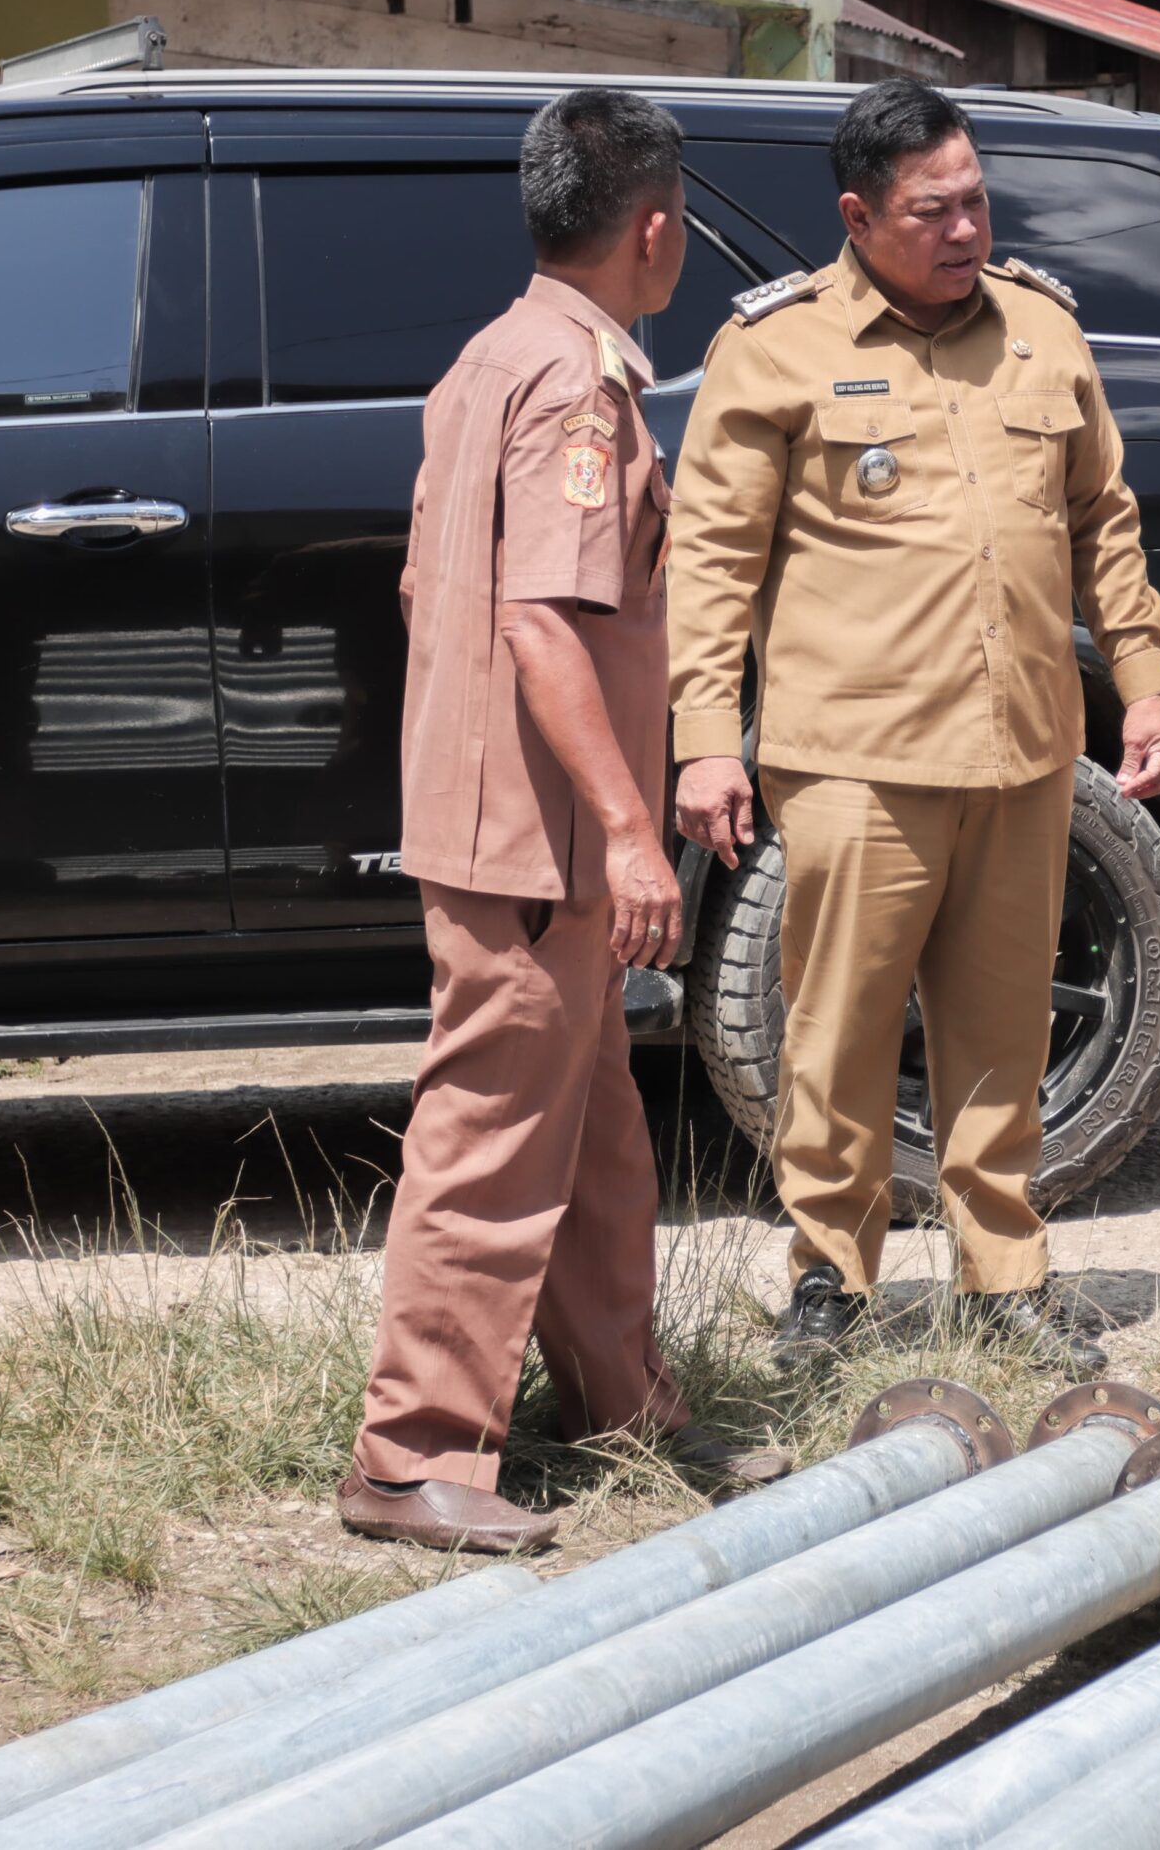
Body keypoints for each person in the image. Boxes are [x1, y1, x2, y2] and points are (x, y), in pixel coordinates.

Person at [666, 77, 1160, 1375]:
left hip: (1022, 747)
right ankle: (830, 1274)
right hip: (855, 758)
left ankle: (1003, 1271)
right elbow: (712, 558)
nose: (963, 230)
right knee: (837, 1026)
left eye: (976, 201)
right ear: (858, 214)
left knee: (1004, 1026)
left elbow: (1104, 521)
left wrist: (1150, 677)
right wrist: (703, 737)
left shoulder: (1044, 333)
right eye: (931, 211)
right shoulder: (776, 349)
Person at [340, 89, 789, 1560]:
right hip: (534, 838)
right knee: (489, 1146)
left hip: (512, 826)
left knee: (597, 1140)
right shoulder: (577, 387)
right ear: (653, 229)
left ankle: (622, 1407)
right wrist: (628, 827)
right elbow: (540, 622)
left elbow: (429, 593)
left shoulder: (489, 360)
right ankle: (412, 1454)